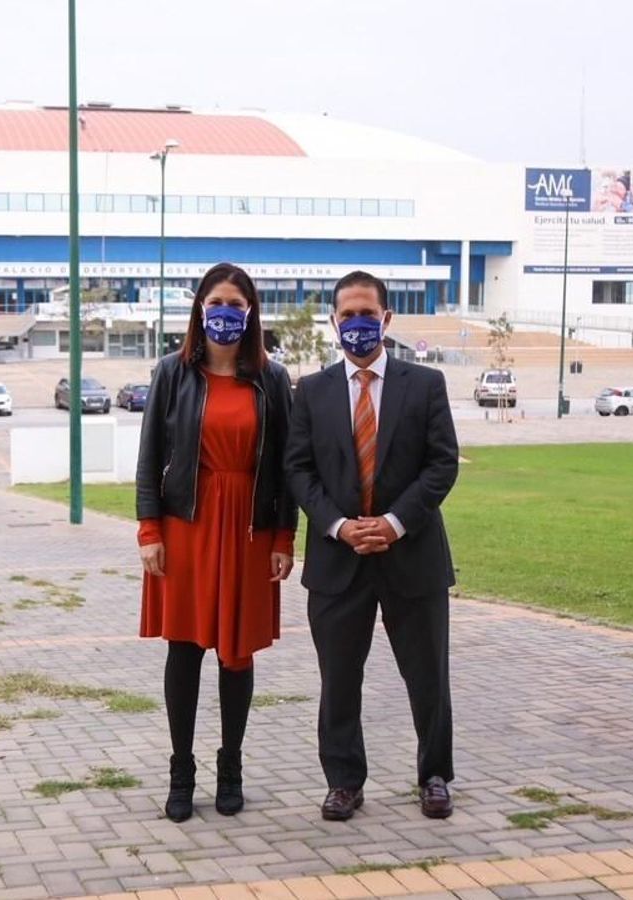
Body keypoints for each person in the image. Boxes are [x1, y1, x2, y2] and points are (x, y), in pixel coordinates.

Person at [285, 270, 460, 822]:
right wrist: (339, 525)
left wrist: (394, 522)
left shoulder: (425, 384)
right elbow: (298, 470)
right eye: (347, 315)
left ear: (386, 319)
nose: (357, 324)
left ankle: (434, 776)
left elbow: (441, 465)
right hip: (339, 562)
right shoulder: (310, 392)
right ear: (333, 321)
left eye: (367, 314)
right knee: (339, 680)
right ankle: (344, 781)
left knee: (428, 676)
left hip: (412, 556)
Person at [136, 262, 298, 822]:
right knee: (184, 647)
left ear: (250, 312)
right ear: (200, 309)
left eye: (235, 301)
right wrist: (149, 530)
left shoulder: (271, 379)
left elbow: (286, 465)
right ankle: (182, 770)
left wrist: (284, 535)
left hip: (250, 530)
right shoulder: (171, 373)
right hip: (186, 527)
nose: (224, 310)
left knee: (237, 651)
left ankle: (232, 765)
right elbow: (150, 458)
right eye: (216, 301)